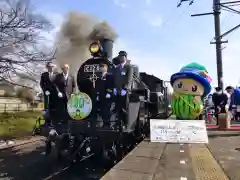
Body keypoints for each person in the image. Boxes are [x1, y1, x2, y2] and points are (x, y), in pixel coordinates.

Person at [113, 51, 134, 128]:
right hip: (117, 90)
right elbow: (115, 79)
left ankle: (125, 124)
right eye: (120, 56)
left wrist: (125, 88)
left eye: (122, 56)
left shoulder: (129, 67)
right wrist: (115, 89)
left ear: (125, 57)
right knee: (118, 107)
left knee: (124, 107)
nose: (121, 57)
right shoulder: (117, 68)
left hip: (125, 90)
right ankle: (118, 123)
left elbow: (129, 79)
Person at [96, 61, 114, 128]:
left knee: (106, 111)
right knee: (102, 111)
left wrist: (109, 93)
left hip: (107, 96)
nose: (101, 68)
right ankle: (104, 123)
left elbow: (112, 86)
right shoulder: (99, 77)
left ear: (106, 68)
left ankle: (107, 124)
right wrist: (98, 95)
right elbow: (98, 87)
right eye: (100, 67)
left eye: (102, 67)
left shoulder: (110, 76)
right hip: (101, 96)